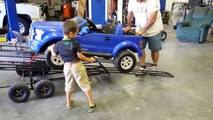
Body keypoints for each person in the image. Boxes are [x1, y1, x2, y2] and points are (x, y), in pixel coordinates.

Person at [47, 20, 96, 113]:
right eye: (76, 34)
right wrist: (90, 60)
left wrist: (51, 49)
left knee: (68, 85)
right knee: (84, 84)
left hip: (66, 67)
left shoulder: (58, 44)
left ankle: (68, 104)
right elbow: (80, 56)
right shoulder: (75, 43)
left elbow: (54, 55)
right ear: (71, 33)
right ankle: (92, 104)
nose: (76, 35)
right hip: (76, 66)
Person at [123, 0, 163, 71]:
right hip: (140, 29)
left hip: (154, 30)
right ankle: (142, 66)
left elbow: (153, 18)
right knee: (140, 49)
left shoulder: (153, 1)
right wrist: (129, 26)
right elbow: (130, 13)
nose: (138, 1)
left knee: (154, 49)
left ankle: (154, 65)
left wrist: (143, 31)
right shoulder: (132, 1)